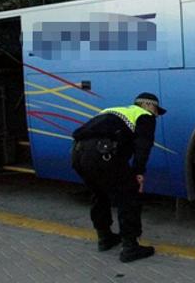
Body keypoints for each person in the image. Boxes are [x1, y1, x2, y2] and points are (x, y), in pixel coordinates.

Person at [71, 92, 166, 263]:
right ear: (148, 105)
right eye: (156, 110)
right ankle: (130, 247)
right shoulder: (144, 116)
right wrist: (138, 172)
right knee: (128, 194)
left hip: (78, 154)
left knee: (99, 193)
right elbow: (143, 145)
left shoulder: (112, 111)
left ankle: (104, 237)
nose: (156, 114)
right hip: (102, 154)